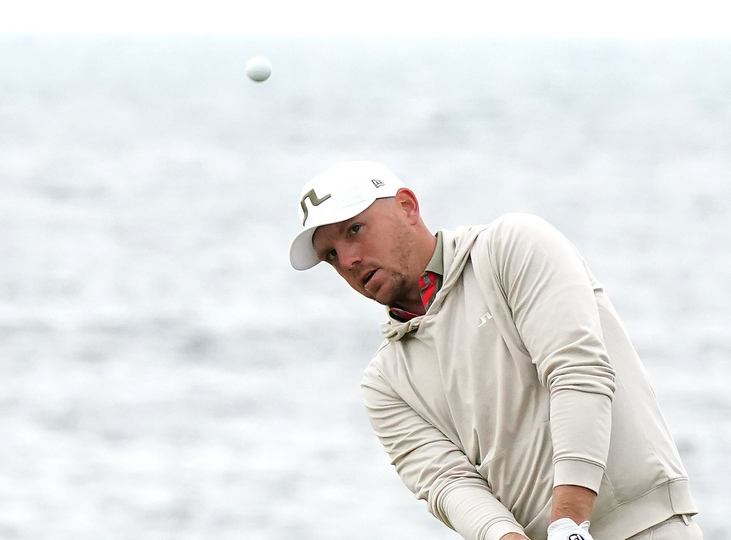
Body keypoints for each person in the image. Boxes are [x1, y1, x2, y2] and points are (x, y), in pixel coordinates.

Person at [289, 161, 702, 540]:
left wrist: (569, 525)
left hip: (647, 526)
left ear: (407, 206)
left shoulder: (511, 247)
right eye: (329, 255)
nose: (348, 260)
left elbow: (578, 373)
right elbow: (449, 484)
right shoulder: (385, 383)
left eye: (354, 230)